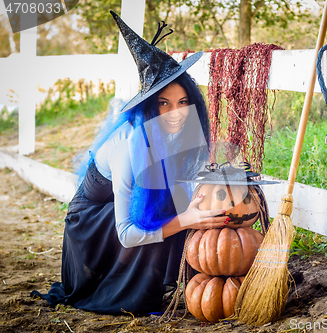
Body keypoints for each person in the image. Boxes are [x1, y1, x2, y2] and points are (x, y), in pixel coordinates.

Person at [31, 11, 228, 314]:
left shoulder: (173, 134)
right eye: (164, 103)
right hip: (92, 231)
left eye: (183, 103)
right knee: (165, 212)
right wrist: (185, 219)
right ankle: (128, 291)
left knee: (175, 203)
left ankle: (175, 279)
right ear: (150, 106)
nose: (175, 113)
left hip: (118, 217)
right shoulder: (129, 146)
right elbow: (127, 233)